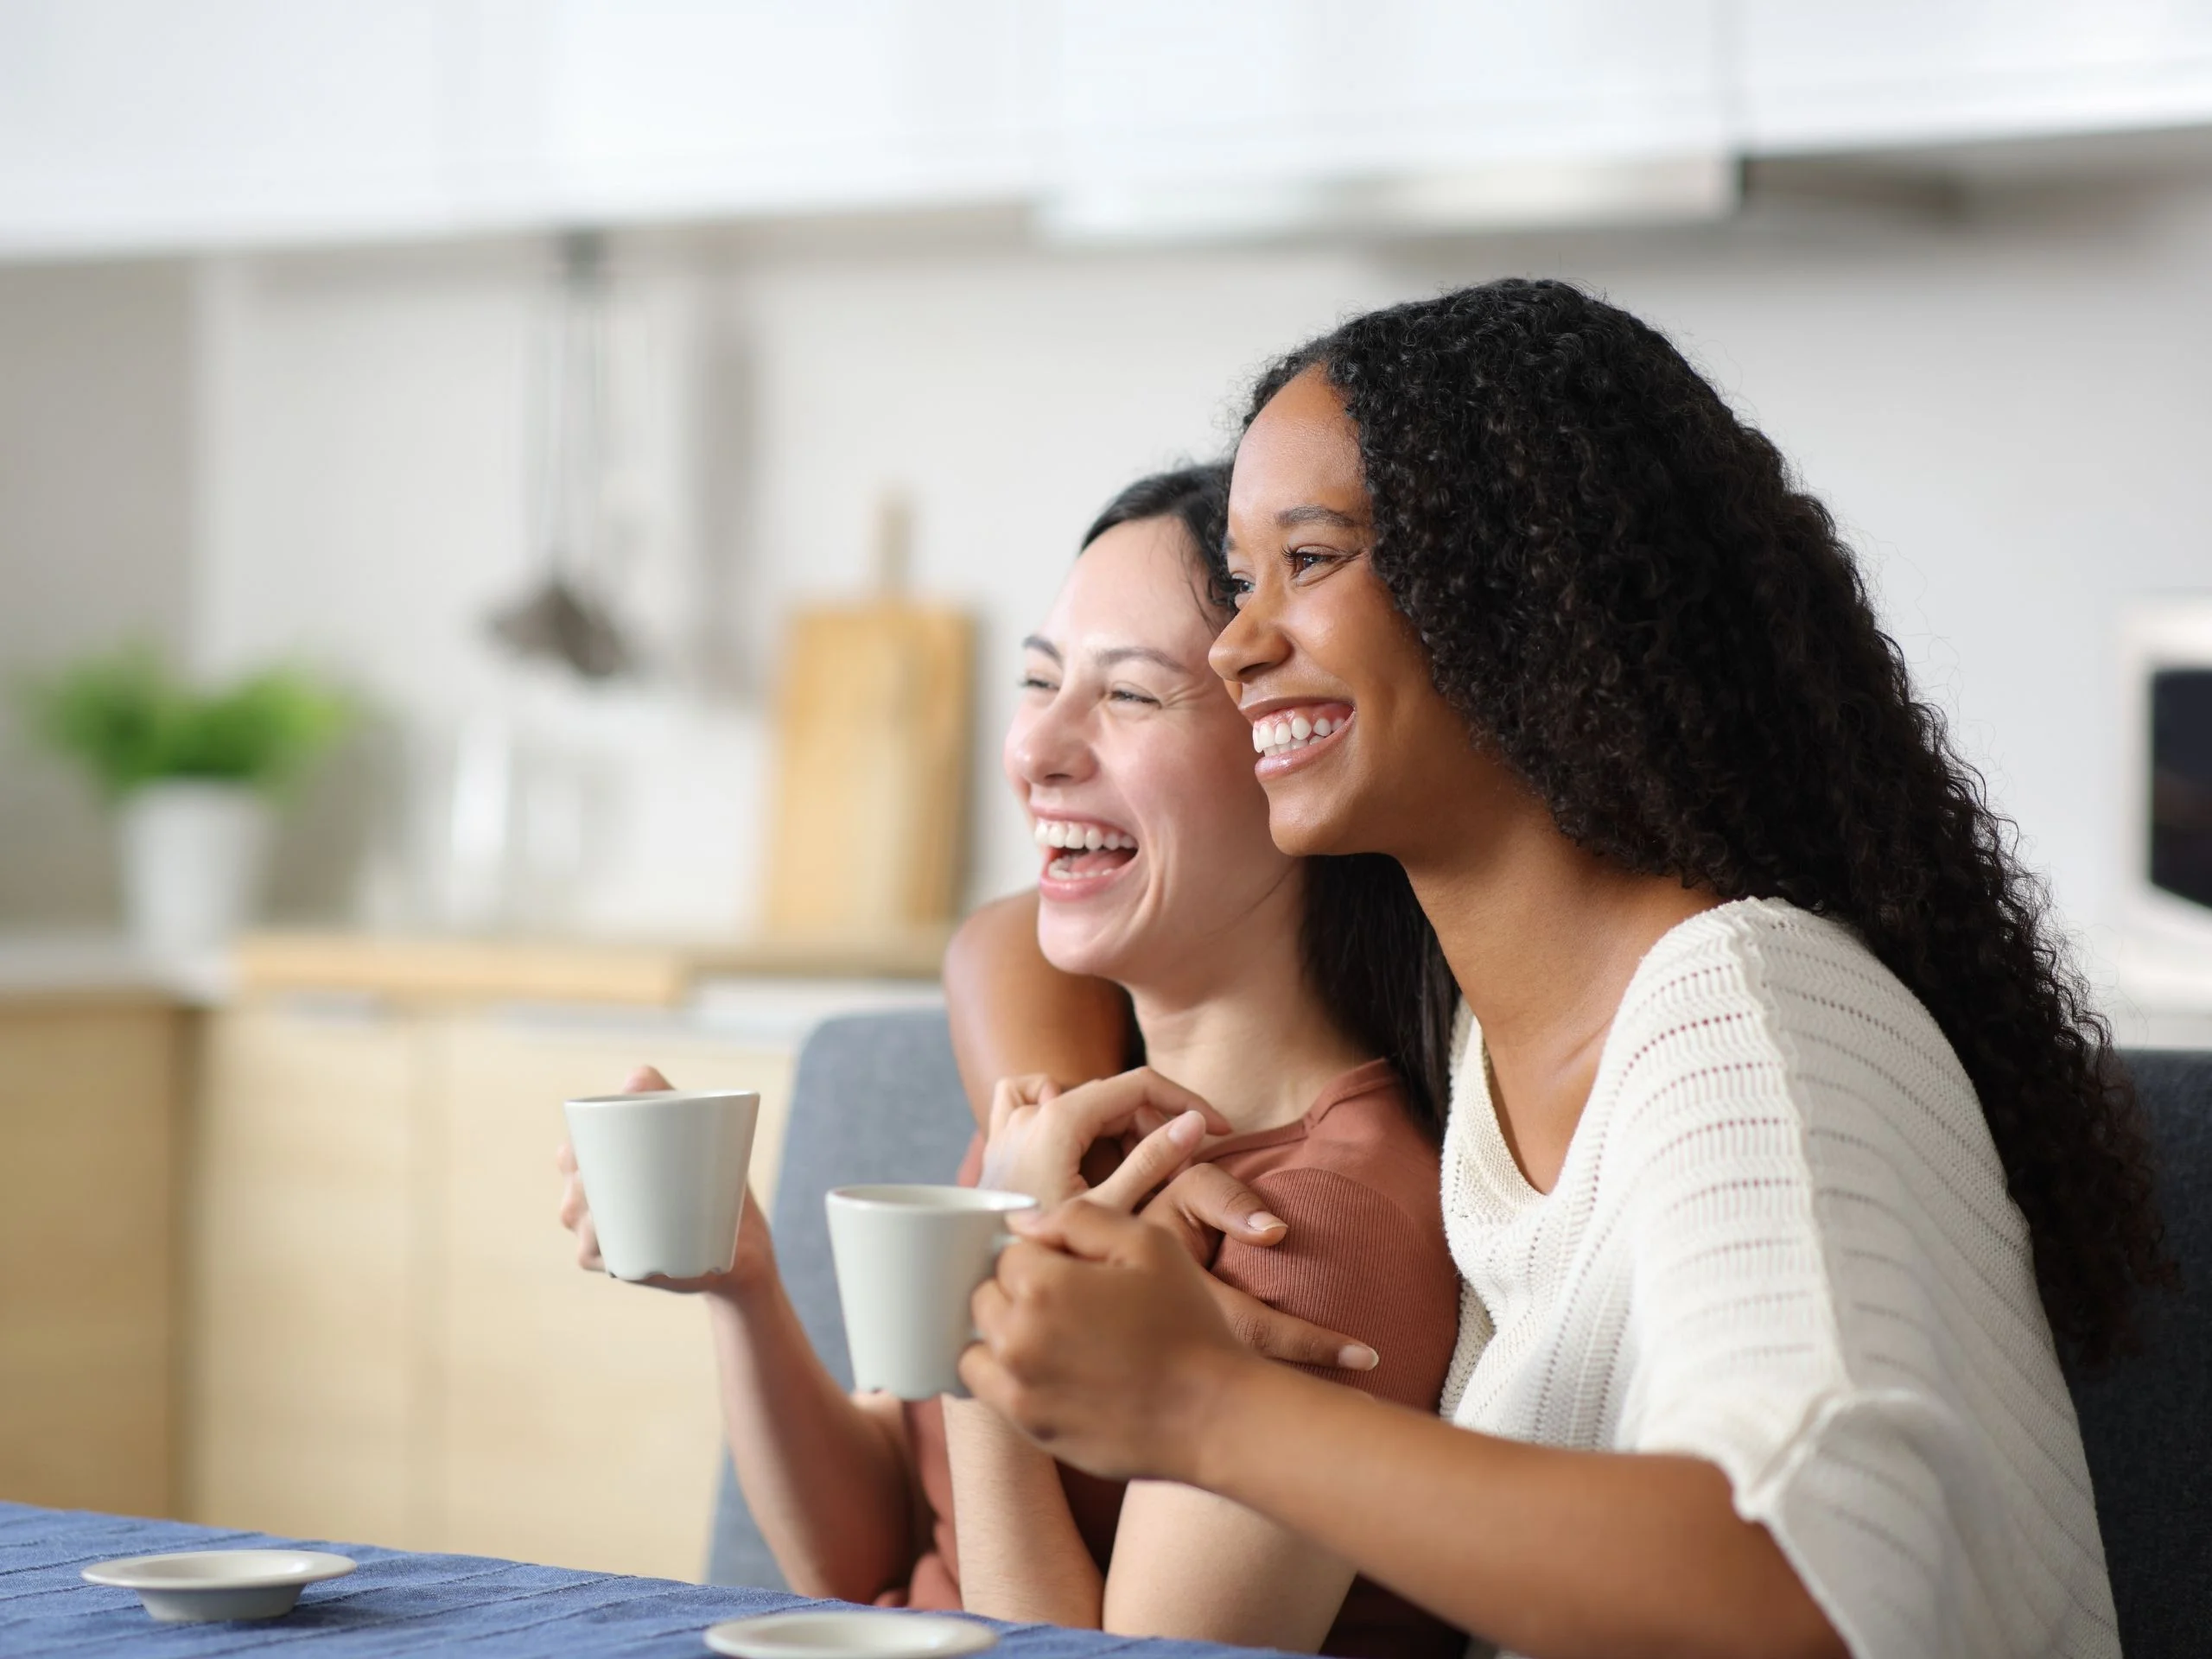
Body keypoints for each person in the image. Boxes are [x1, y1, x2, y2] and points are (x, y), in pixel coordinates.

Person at [951, 281, 2171, 1659]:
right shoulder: (1480, 1036)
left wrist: (1207, 1407)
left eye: (1313, 560)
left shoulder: (1749, 1016)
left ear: (1525, 589)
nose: (1238, 646)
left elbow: (1806, 1591)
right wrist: (1059, 1159)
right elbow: (1011, 935)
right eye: (1240, 582)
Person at [557, 463, 1464, 1658]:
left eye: (1130, 697)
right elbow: (874, 1554)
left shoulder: (1306, 1229)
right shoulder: (1059, 1121)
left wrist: (994, 1300)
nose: (1035, 747)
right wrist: (747, 1290)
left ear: (1292, 759)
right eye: (1039, 682)